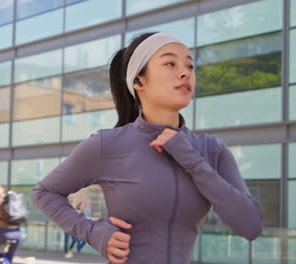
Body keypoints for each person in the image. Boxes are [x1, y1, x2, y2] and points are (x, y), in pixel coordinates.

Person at [31, 32, 263, 264]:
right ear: (138, 81)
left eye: (190, 66)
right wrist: (92, 231)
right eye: (170, 63)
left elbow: (250, 226)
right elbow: (44, 193)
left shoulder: (211, 149)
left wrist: (190, 158)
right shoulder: (108, 144)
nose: (185, 73)